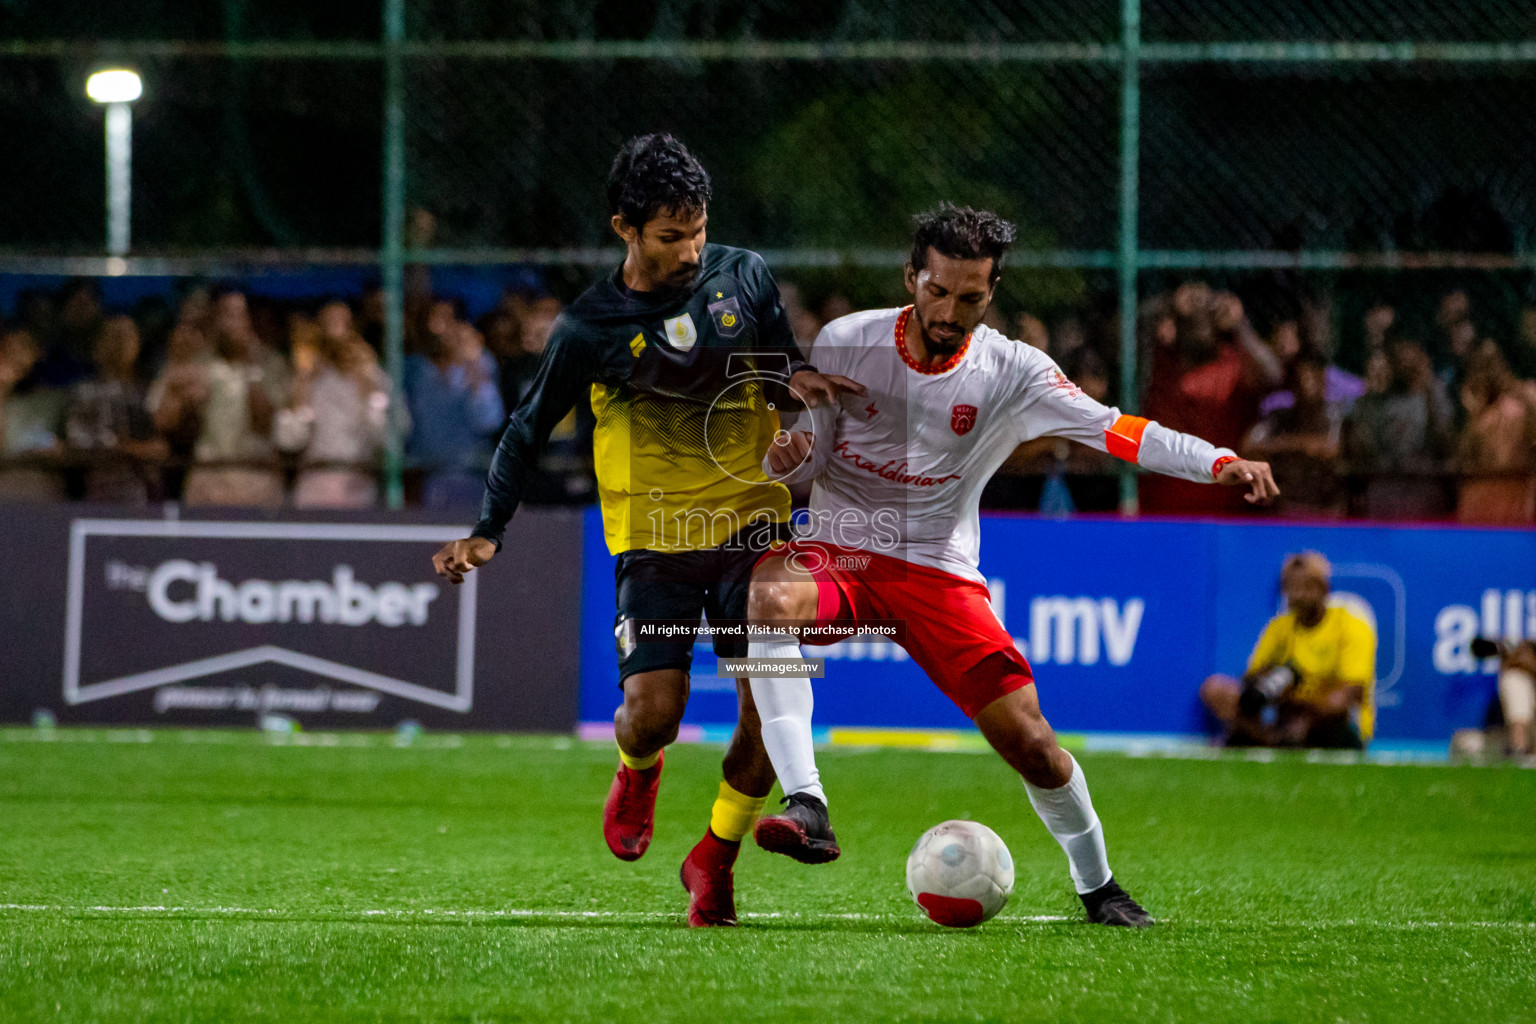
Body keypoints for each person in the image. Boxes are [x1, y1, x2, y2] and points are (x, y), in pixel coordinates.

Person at [739, 205, 1278, 927]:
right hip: (841, 549)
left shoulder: (1014, 371)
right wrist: (790, 455)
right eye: (938, 291)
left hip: (937, 571)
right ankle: (807, 802)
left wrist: (1218, 461)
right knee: (768, 600)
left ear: (990, 294)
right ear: (912, 278)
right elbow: (814, 449)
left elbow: (1117, 431)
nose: (950, 311)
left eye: (971, 297)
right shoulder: (847, 341)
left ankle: (1099, 887)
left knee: (1033, 743)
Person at [429, 134, 863, 927]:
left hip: (751, 522)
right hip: (655, 537)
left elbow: (779, 367)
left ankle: (717, 857)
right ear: (625, 227)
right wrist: (489, 529)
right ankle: (637, 766)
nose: (693, 250)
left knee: (770, 704)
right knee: (654, 712)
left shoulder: (744, 275)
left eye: (699, 230)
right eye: (671, 236)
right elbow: (527, 430)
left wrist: (811, 409)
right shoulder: (590, 328)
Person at [1200, 552, 1376, 750]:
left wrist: (1307, 706)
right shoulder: (1279, 627)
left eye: (1307, 587)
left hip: (1331, 720)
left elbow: (1353, 692)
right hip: (1286, 712)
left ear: (1324, 589)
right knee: (1216, 689)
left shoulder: (1350, 624)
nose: (1298, 595)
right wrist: (1273, 680)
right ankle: (1272, 738)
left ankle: (1263, 739)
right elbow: (1251, 679)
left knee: (1334, 706)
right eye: (1290, 587)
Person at [64, 314, 165, 504]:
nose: (121, 343)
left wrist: (143, 449)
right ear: (98, 345)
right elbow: (76, 441)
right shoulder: (84, 392)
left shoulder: (149, 390)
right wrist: (122, 448)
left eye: (128, 336)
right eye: (114, 335)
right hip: (101, 491)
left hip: (145, 493)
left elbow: (162, 445)